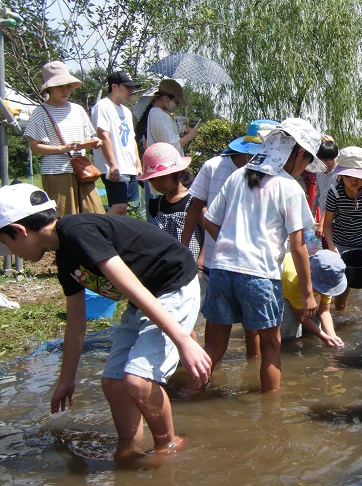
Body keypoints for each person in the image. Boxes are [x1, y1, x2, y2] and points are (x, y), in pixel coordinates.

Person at [0, 183, 212, 460]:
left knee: (137, 380)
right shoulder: (65, 257)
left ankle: (169, 445)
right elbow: (76, 323)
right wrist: (66, 380)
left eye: (5, 243)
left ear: (19, 230)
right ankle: (130, 445)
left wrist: (182, 338)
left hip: (173, 286)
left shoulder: (76, 231)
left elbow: (126, 281)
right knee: (113, 382)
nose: (8, 251)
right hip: (144, 298)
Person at [201, 118, 324, 393]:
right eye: (306, 161)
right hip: (259, 276)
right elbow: (299, 246)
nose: (305, 170)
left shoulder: (237, 175)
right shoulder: (290, 187)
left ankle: (190, 395)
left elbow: (209, 220)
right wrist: (307, 293)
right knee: (271, 345)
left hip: (221, 270)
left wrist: (228, 245)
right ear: (298, 152)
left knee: (214, 346)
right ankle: (271, 420)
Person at [180, 119, 279, 367]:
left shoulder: (270, 177)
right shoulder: (215, 167)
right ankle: (209, 371)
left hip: (250, 262)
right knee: (214, 322)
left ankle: (251, 366)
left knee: (253, 328)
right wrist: (186, 249)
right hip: (217, 259)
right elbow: (196, 209)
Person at [23, 61, 105, 216]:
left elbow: (89, 136)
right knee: (64, 218)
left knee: (95, 214)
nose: (65, 90)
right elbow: (34, 147)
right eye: (60, 86)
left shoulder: (78, 109)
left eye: (68, 85)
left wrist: (95, 142)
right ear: (49, 88)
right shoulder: (40, 112)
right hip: (57, 173)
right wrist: (65, 148)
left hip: (83, 171)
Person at [323, 146, 362, 319]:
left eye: (358, 176)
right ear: (340, 174)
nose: (353, 180)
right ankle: (340, 315)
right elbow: (327, 224)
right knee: (343, 283)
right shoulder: (334, 193)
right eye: (348, 175)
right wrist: (331, 246)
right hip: (342, 244)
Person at [137, 143, 203, 260]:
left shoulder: (194, 202)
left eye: (162, 177)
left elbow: (208, 235)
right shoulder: (156, 205)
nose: (157, 183)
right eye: (152, 179)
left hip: (192, 263)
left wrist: (201, 263)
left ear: (178, 173)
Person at [91, 71, 142, 215]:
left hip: (128, 166)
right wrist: (113, 165)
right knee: (118, 205)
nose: (131, 91)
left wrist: (137, 164)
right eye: (127, 87)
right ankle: (104, 234)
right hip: (113, 166)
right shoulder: (103, 106)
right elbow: (103, 136)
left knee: (125, 207)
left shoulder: (126, 111)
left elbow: (132, 138)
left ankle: (118, 236)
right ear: (114, 86)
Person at [281, 250, 346, 347]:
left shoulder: (328, 277)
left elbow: (324, 311)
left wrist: (332, 336)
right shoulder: (293, 279)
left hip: (302, 292)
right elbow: (300, 315)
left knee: (314, 325)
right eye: (320, 288)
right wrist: (323, 337)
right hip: (283, 290)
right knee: (290, 331)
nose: (322, 292)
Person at [135, 79, 200, 155]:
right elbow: (172, 146)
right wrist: (191, 134)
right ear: (166, 98)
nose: (177, 106)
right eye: (176, 102)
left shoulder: (154, 112)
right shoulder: (161, 116)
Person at [313, 135, 339, 246]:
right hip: (325, 218)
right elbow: (318, 194)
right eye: (325, 160)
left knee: (335, 248)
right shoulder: (319, 173)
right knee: (326, 248)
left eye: (332, 159)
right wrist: (312, 213)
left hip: (337, 219)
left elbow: (331, 201)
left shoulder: (338, 175)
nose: (329, 162)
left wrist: (321, 224)